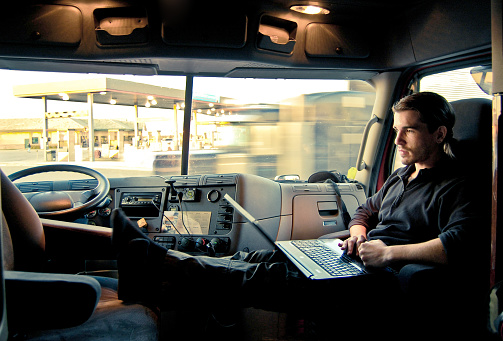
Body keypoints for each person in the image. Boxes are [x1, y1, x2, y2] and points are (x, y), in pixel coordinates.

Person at [111, 92, 488, 338]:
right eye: (396, 130)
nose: (399, 140)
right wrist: (357, 232)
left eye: (409, 131)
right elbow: (366, 209)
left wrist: (388, 253)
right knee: (258, 256)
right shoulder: (402, 174)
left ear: (440, 134)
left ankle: (159, 265)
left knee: (267, 276)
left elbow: (457, 245)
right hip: (358, 256)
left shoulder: (460, 185)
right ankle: (156, 273)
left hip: (382, 276)